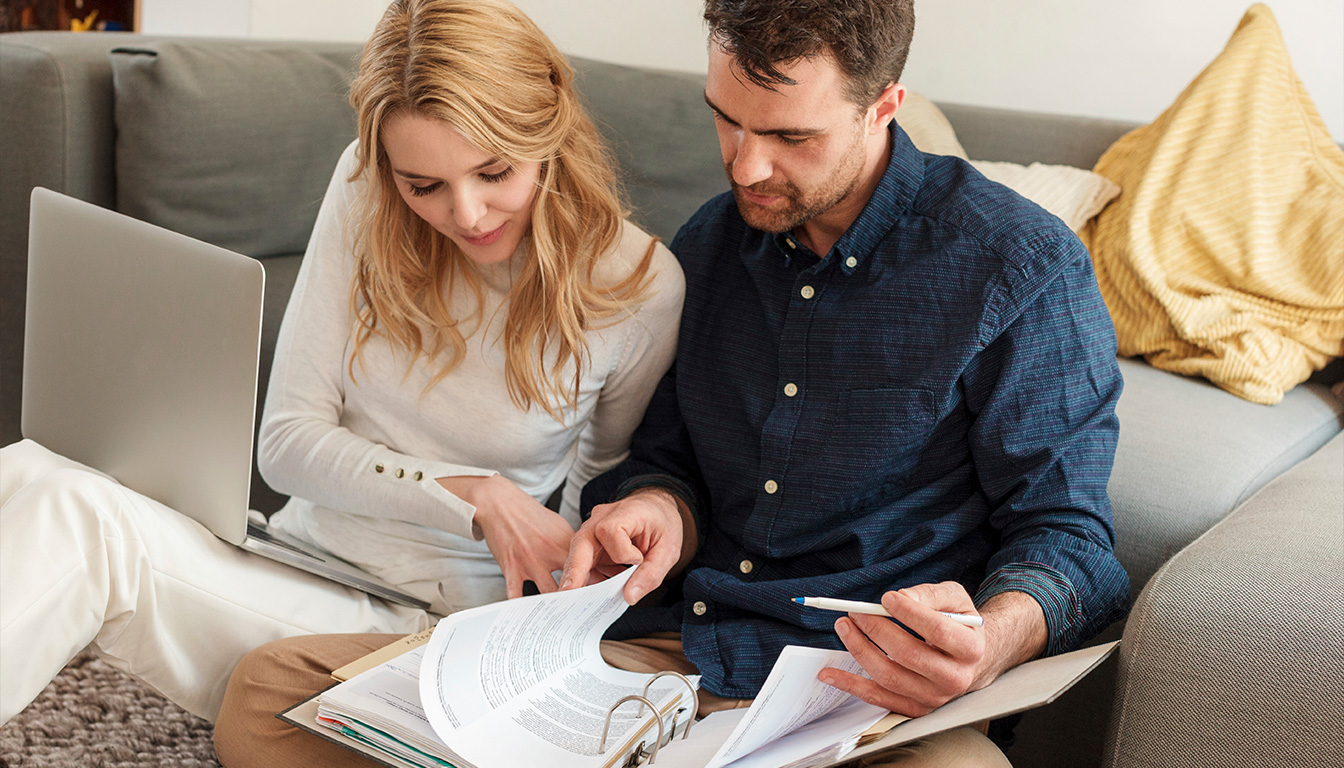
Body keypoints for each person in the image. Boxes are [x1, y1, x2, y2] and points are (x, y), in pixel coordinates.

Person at [214, 1, 1130, 766]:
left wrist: (986, 644)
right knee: (270, 697)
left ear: (884, 104)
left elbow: (1071, 540)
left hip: (858, 690)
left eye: (789, 135)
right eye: (725, 119)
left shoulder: (1019, 266)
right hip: (670, 657)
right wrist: (652, 509)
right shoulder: (711, 247)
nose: (746, 165)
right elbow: (657, 462)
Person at [0, 0, 682, 729]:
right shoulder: (365, 185)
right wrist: (474, 495)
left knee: (76, 518)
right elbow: (287, 445)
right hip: (292, 559)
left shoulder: (639, 288)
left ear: (546, 128)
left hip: (434, 626)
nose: (469, 214)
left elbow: (593, 494)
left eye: (495, 171)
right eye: (425, 186)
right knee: (32, 469)